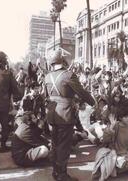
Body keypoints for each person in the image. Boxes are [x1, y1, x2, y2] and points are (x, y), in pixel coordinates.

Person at [45, 49, 95, 181]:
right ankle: (62, 175)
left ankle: (56, 172)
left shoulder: (47, 76)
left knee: (55, 143)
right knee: (64, 145)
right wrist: (92, 102)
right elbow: (81, 92)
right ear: (62, 61)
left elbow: (46, 97)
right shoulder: (68, 75)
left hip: (52, 114)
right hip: (65, 114)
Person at [11, 96, 50, 167]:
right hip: (22, 158)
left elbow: (36, 135)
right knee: (44, 150)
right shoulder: (25, 130)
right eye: (34, 118)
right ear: (29, 120)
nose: (36, 119)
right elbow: (37, 142)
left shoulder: (26, 127)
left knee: (46, 145)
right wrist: (49, 145)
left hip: (23, 151)